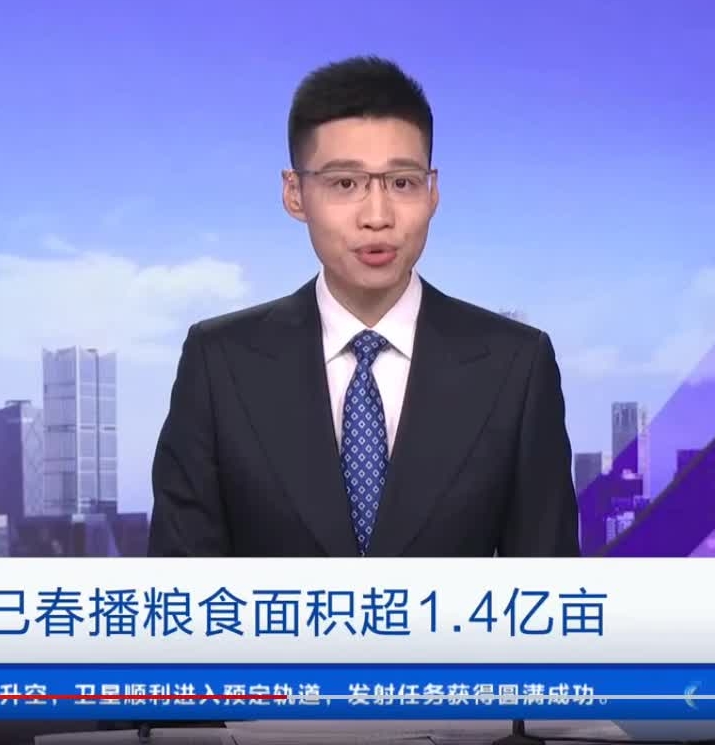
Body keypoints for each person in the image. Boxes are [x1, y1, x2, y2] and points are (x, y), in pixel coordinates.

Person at [148, 56, 580, 558]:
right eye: (345, 184)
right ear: (295, 193)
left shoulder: (516, 367)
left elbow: (548, 588)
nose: (377, 216)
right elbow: (182, 586)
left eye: (402, 183)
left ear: (433, 191)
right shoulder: (219, 362)